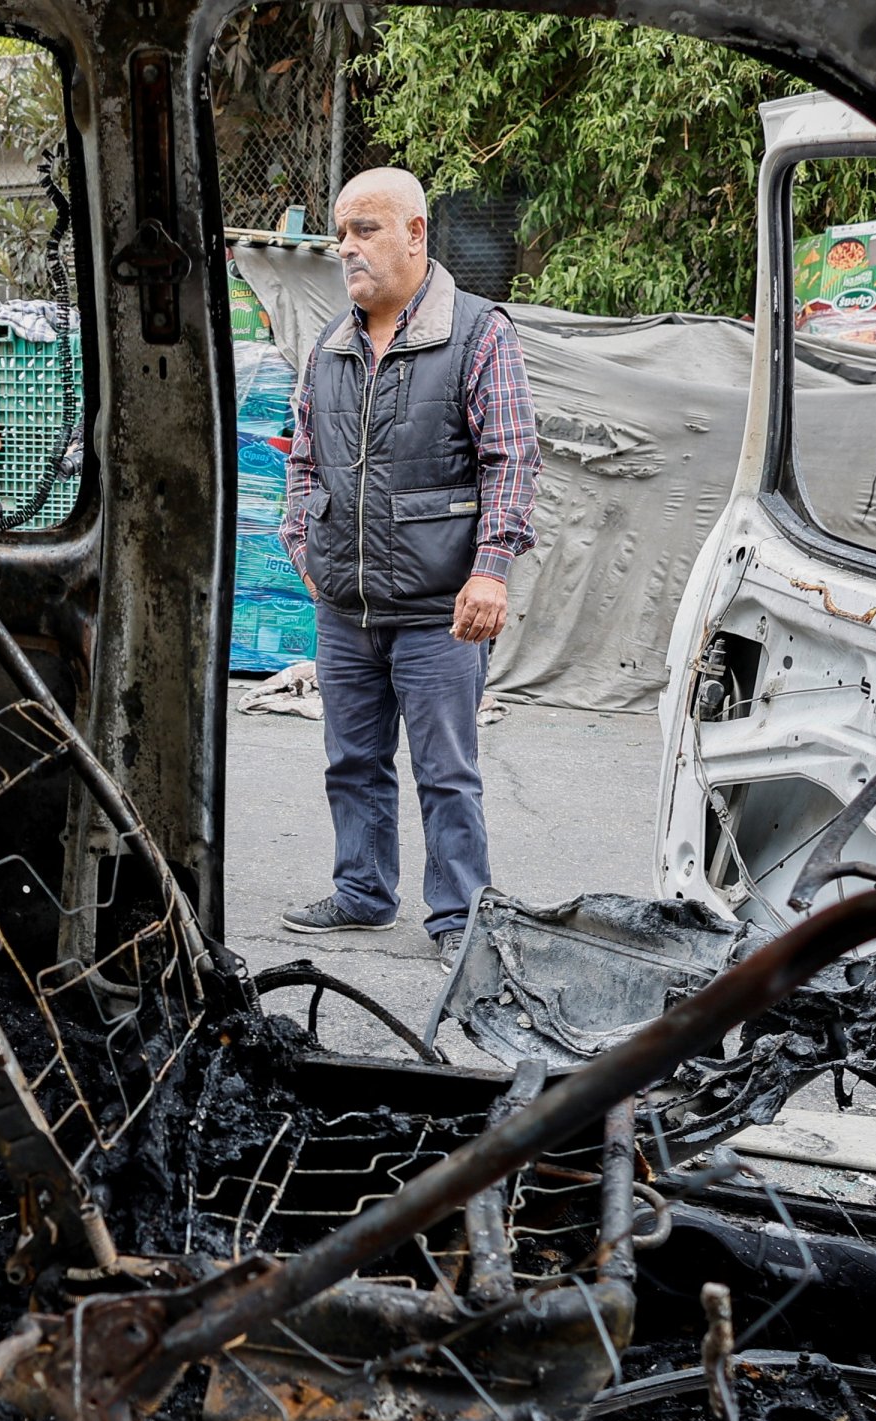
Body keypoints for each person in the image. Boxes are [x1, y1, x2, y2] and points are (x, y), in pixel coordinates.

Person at [274, 166, 539, 952]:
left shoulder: (478, 333)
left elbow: (513, 459)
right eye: (341, 234)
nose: (347, 249)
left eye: (366, 230)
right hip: (346, 608)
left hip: (438, 611)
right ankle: (362, 889)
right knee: (351, 762)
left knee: (446, 772)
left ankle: (459, 917)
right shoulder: (329, 347)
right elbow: (302, 461)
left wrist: (491, 567)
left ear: (416, 234)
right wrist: (303, 545)